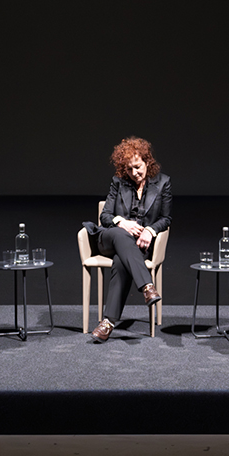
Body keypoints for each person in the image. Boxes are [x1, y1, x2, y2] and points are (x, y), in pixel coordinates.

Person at [85, 136, 172, 343]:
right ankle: (147, 286)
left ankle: (107, 323)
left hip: (137, 245)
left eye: (138, 167)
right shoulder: (118, 182)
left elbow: (166, 218)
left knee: (121, 261)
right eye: (129, 169)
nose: (134, 173)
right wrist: (122, 222)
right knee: (120, 234)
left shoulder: (163, 183)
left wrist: (150, 230)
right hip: (109, 239)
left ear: (147, 161)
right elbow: (105, 216)